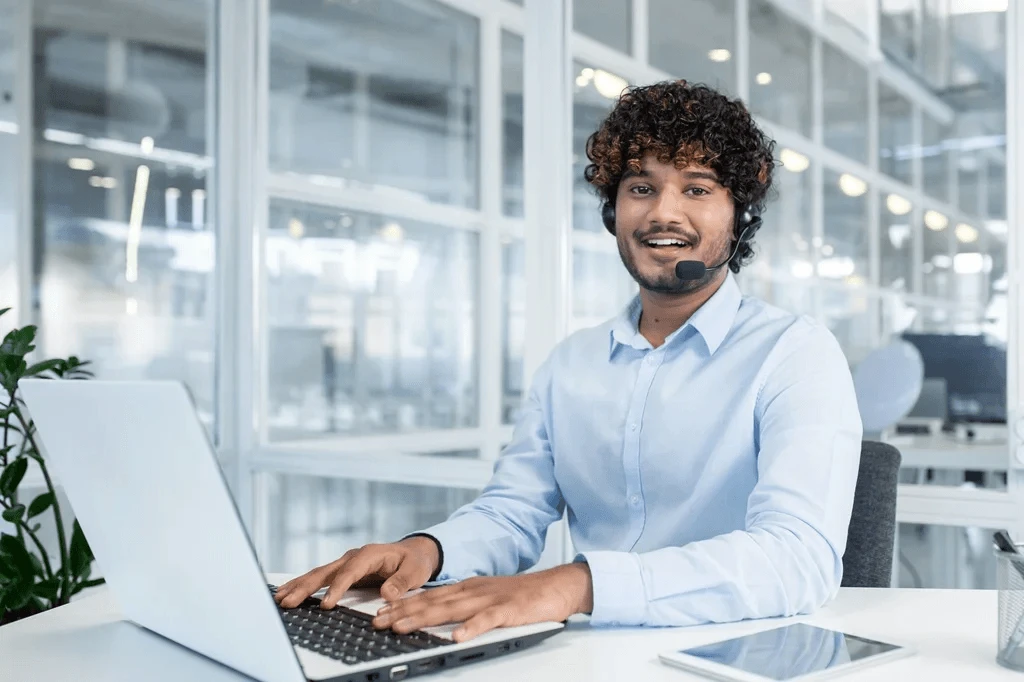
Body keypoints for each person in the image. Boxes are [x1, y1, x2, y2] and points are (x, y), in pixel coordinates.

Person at [274, 80, 863, 643]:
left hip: (737, 653)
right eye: (640, 188)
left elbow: (798, 557)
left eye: (697, 188)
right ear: (613, 214)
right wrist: (428, 551)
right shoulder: (572, 364)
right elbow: (513, 511)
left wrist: (577, 585)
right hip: (595, 652)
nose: (663, 212)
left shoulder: (795, 354)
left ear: (741, 215)